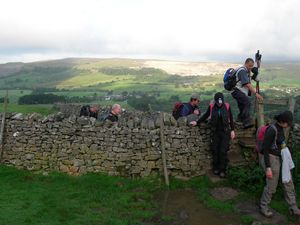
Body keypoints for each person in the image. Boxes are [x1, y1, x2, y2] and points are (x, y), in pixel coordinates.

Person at [259, 111, 300, 217]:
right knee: (271, 185)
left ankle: (293, 207)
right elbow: (265, 150)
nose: (288, 126)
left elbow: (280, 144)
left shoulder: (281, 128)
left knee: (288, 182)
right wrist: (268, 168)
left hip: (281, 158)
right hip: (271, 159)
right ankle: (263, 207)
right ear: (282, 121)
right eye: (288, 123)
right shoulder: (271, 130)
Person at [191, 92, 235, 178]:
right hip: (215, 132)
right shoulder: (211, 106)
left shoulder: (227, 106)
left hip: (225, 132)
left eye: (220, 102)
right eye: (218, 103)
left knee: (222, 151)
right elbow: (205, 115)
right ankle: (216, 168)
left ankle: (222, 170)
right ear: (215, 101)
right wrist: (197, 122)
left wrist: (232, 130)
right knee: (215, 150)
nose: (219, 104)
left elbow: (231, 118)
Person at [231, 58, 263, 129]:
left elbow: (250, 80)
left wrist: (257, 70)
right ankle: (246, 122)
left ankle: (239, 120)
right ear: (245, 64)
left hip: (237, 91)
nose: (250, 68)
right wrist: (256, 93)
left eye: (252, 66)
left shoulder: (245, 71)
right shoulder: (242, 71)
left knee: (242, 106)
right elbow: (247, 84)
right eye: (249, 66)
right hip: (237, 91)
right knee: (247, 103)